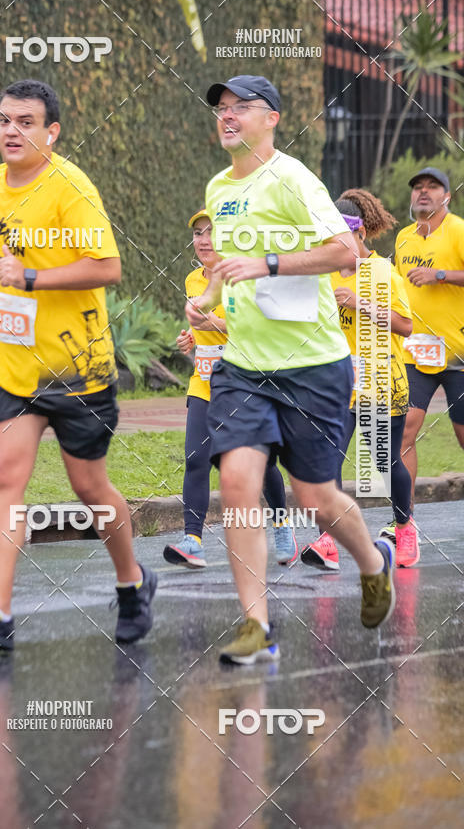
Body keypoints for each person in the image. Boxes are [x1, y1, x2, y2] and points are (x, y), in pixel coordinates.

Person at [0, 79, 156, 651]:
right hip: (13, 365)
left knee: (90, 488)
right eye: (5, 120)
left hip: (76, 367)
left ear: (51, 132)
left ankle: (132, 583)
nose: (12, 131)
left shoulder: (69, 187)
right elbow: (3, 253)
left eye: (26, 122)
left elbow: (108, 267)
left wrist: (30, 280)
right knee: (2, 476)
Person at [186, 74, 396, 666]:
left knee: (316, 496)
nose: (228, 116)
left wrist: (271, 263)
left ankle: (373, 561)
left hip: (313, 364)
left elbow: (345, 252)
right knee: (237, 485)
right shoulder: (219, 187)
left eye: (241, 108)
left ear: (272, 117)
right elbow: (232, 269)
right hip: (244, 365)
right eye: (222, 109)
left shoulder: (294, 176)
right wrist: (208, 300)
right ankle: (257, 626)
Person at [163, 209, 295, 569]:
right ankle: (193, 539)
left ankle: (282, 523)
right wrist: (192, 337)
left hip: (244, 382)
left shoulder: (241, 277)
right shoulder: (193, 279)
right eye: (198, 234)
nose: (203, 240)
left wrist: (212, 322)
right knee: (196, 459)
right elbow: (204, 326)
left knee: (261, 460)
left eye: (211, 232)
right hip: (204, 380)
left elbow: (255, 328)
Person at [300, 189, 419, 572]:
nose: (335, 243)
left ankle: (405, 527)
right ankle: (330, 541)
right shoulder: (327, 273)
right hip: (338, 383)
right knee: (329, 460)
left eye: (342, 235)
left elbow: (405, 326)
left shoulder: (382, 272)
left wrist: (358, 303)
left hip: (382, 381)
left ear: (361, 234)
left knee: (384, 465)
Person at [394, 167, 464, 505]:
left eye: (432, 187)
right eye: (418, 187)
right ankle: (404, 524)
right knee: (404, 430)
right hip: (416, 352)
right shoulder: (404, 236)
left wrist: (440, 274)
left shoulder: (458, 230)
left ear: (446, 196)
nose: (424, 192)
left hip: (458, 352)